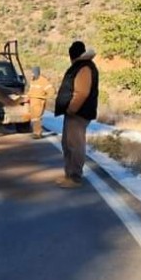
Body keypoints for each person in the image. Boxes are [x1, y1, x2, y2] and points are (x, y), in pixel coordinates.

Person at [53, 41, 99, 188]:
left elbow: (82, 93)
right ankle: (69, 174)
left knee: (75, 145)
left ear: (73, 55)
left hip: (78, 113)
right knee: (67, 144)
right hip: (74, 113)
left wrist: (71, 109)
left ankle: (75, 177)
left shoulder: (84, 68)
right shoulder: (81, 66)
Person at [27, 66, 55, 139]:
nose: (32, 74)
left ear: (36, 72)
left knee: (36, 117)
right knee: (34, 118)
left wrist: (45, 98)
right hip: (32, 101)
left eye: (33, 73)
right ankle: (36, 132)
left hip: (39, 101)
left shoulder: (43, 81)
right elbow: (31, 91)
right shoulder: (32, 80)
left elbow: (51, 91)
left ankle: (38, 133)